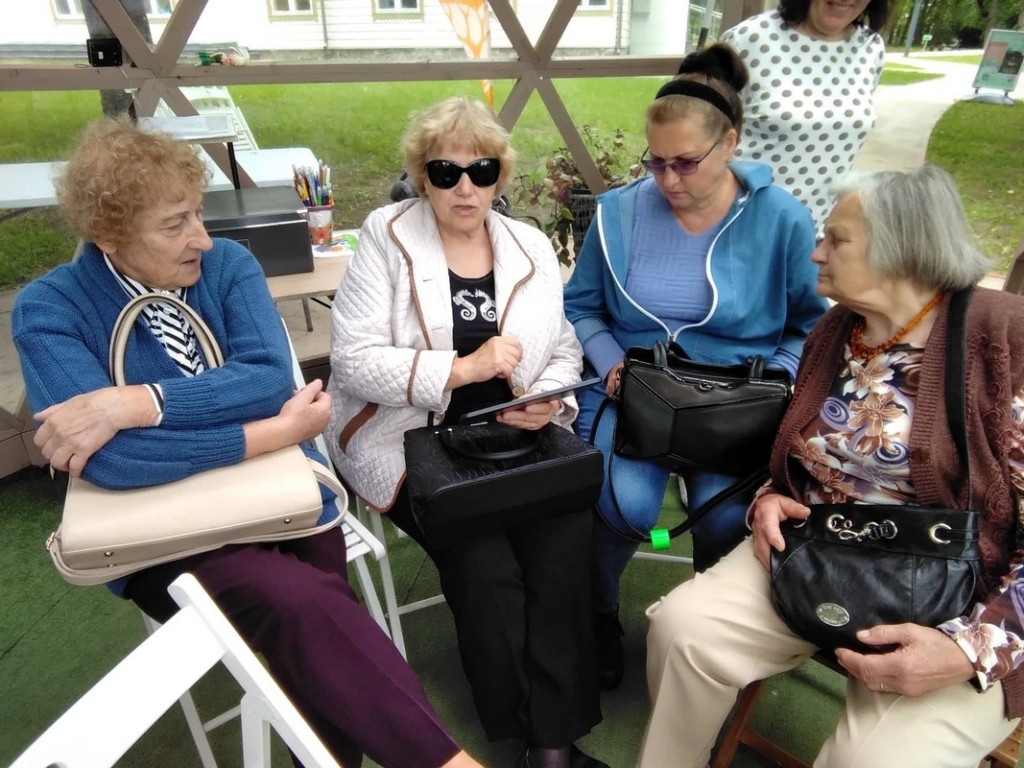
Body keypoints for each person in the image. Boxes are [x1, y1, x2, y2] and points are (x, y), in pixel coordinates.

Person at [11, 117, 482, 768]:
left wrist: (135, 402)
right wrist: (276, 433)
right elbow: (115, 461)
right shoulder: (50, 309)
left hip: (281, 499)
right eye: (175, 224)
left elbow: (264, 379)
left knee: (311, 617)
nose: (202, 238)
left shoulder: (226, 265)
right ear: (107, 234)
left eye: (198, 213)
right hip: (160, 536)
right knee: (301, 603)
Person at [638, 165, 1024, 768]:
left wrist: (970, 649)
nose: (817, 252)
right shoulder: (839, 327)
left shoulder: (1005, 340)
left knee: (874, 761)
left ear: (902, 250)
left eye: (836, 240)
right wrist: (772, 496)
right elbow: (803, 455)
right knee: (684, 631)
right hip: (819, 552)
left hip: (967, 600)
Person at [325, 96, 606, 768]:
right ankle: (517, 724)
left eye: (481, 170)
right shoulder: (387, 235)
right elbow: (352, 361)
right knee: (485, 562)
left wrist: (543, 402)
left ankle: (553, 746)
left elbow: (563, 347)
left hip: (513, 437)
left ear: (498, 174)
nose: (465, 187)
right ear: (422, 175)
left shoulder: (528, 244)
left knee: (563, 545)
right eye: (445, 172)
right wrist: (461, 369)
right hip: (410, 440)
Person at [562, 43, 828, 690]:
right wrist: (611, 364)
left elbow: (812, 324)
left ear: (729, 143)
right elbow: (581, 305)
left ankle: (710, 631)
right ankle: (597, 616)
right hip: (636, 390)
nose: (668, 180)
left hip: (737, 401)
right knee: (622, 505)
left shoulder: (781, 219)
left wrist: (779, 376)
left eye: (685, 162)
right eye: (655, 162)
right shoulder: (619, 212)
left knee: (720, 516)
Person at [720, 0, 890, 233]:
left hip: (820, 235)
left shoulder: (871, 47)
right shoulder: (748, 39)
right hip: (743, 228)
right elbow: (701, 135)